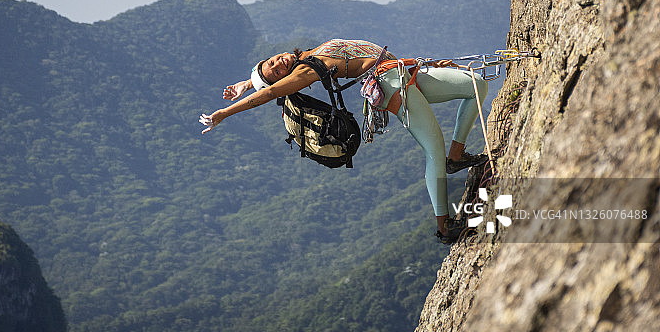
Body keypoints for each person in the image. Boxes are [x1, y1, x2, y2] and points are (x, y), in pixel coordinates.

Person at [199, 39, 488, 244]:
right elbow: (269, 93)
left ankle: (456, 156)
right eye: (276, 71)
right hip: (392, 85)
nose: (279, 63)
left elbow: (264, 82)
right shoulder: (305, 71)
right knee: (433, 148)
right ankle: (444, 227)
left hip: (404, 71)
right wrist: (225, 113)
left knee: (476, 84)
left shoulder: (308, 55)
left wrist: (245, 83)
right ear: (284, 79)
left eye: (273, 60)